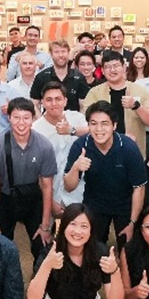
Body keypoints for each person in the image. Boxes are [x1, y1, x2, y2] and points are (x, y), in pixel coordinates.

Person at [64, 102, 148, 244]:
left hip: (126, 205)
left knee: (128, 249)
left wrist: (133, 222)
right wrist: (76, 168)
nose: (99, 129)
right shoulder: (80, 146)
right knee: (93, 250)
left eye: (105, 124)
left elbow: (139, 188)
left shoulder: (128, 148)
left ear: (114, 125)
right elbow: (69, 186)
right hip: (95, 204)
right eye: (93, 124)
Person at [0, 98, 56, 261]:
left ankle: (40, 281)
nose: (21, 123)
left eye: (26, 117)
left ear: (33, 118)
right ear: (9, 117)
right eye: (16, 117)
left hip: (32, 199)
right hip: (6, 198)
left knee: (42, 244)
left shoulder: (44, 146)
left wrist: (45, 225)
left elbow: (47, 186)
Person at [34, 82, 89, 217]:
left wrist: (72, 130)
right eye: (49, 100)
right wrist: (50, 201)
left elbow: (95, 132)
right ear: (42, 103)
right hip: (51, 192)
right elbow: (37, 172)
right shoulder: (36, 130)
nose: (54, 104)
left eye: (58, 99)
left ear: (65, 101)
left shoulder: (77, 118)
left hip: (81, 191)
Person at [31, 40, 89, 112]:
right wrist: (41, 121)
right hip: (48, 121)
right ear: (51, 54)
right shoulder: (41, 77)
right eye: (56, 52)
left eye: (63, 51)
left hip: (73, 121)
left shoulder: (79, 78)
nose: (60, 55)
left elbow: (83, 106)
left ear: (68, 53)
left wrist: (79, 122)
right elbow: (34, 104)